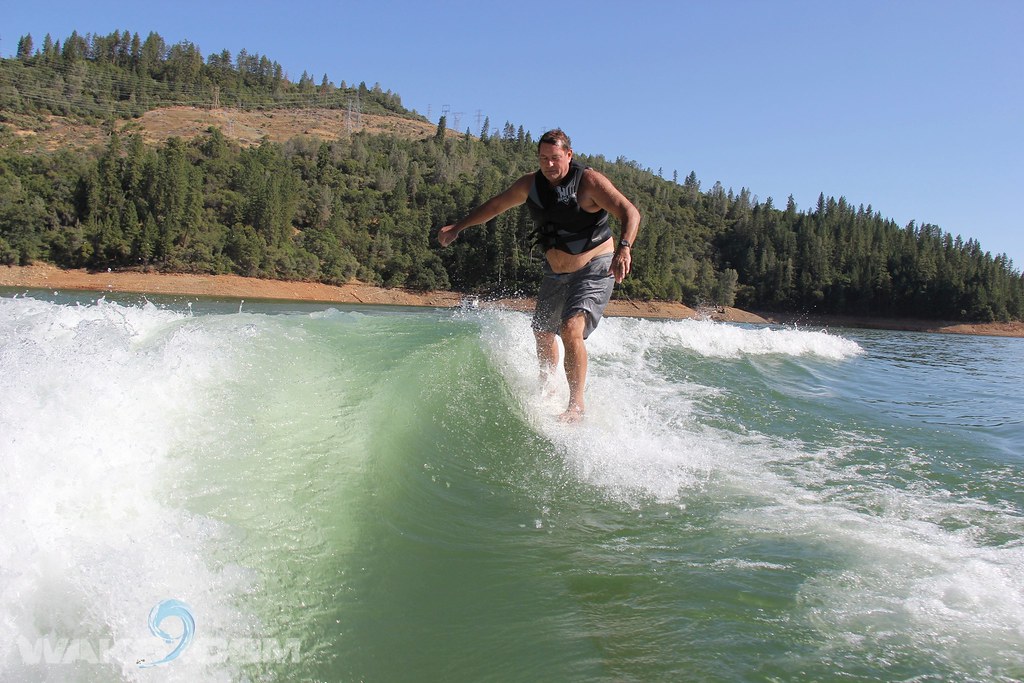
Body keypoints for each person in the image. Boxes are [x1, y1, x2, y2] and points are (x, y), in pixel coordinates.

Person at [437, 129, 641, 422]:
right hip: (556, 273)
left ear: (568, 155)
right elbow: (495, 206)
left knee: (571, 328)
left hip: (596, 266)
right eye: (543, 158)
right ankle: (546, 389)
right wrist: (458, 226)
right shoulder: (530, 185)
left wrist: (624, 247)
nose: (549, 164)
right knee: (543, 333)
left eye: (555, 158)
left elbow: (630, 212)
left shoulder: (589, 183)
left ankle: (576, 405)